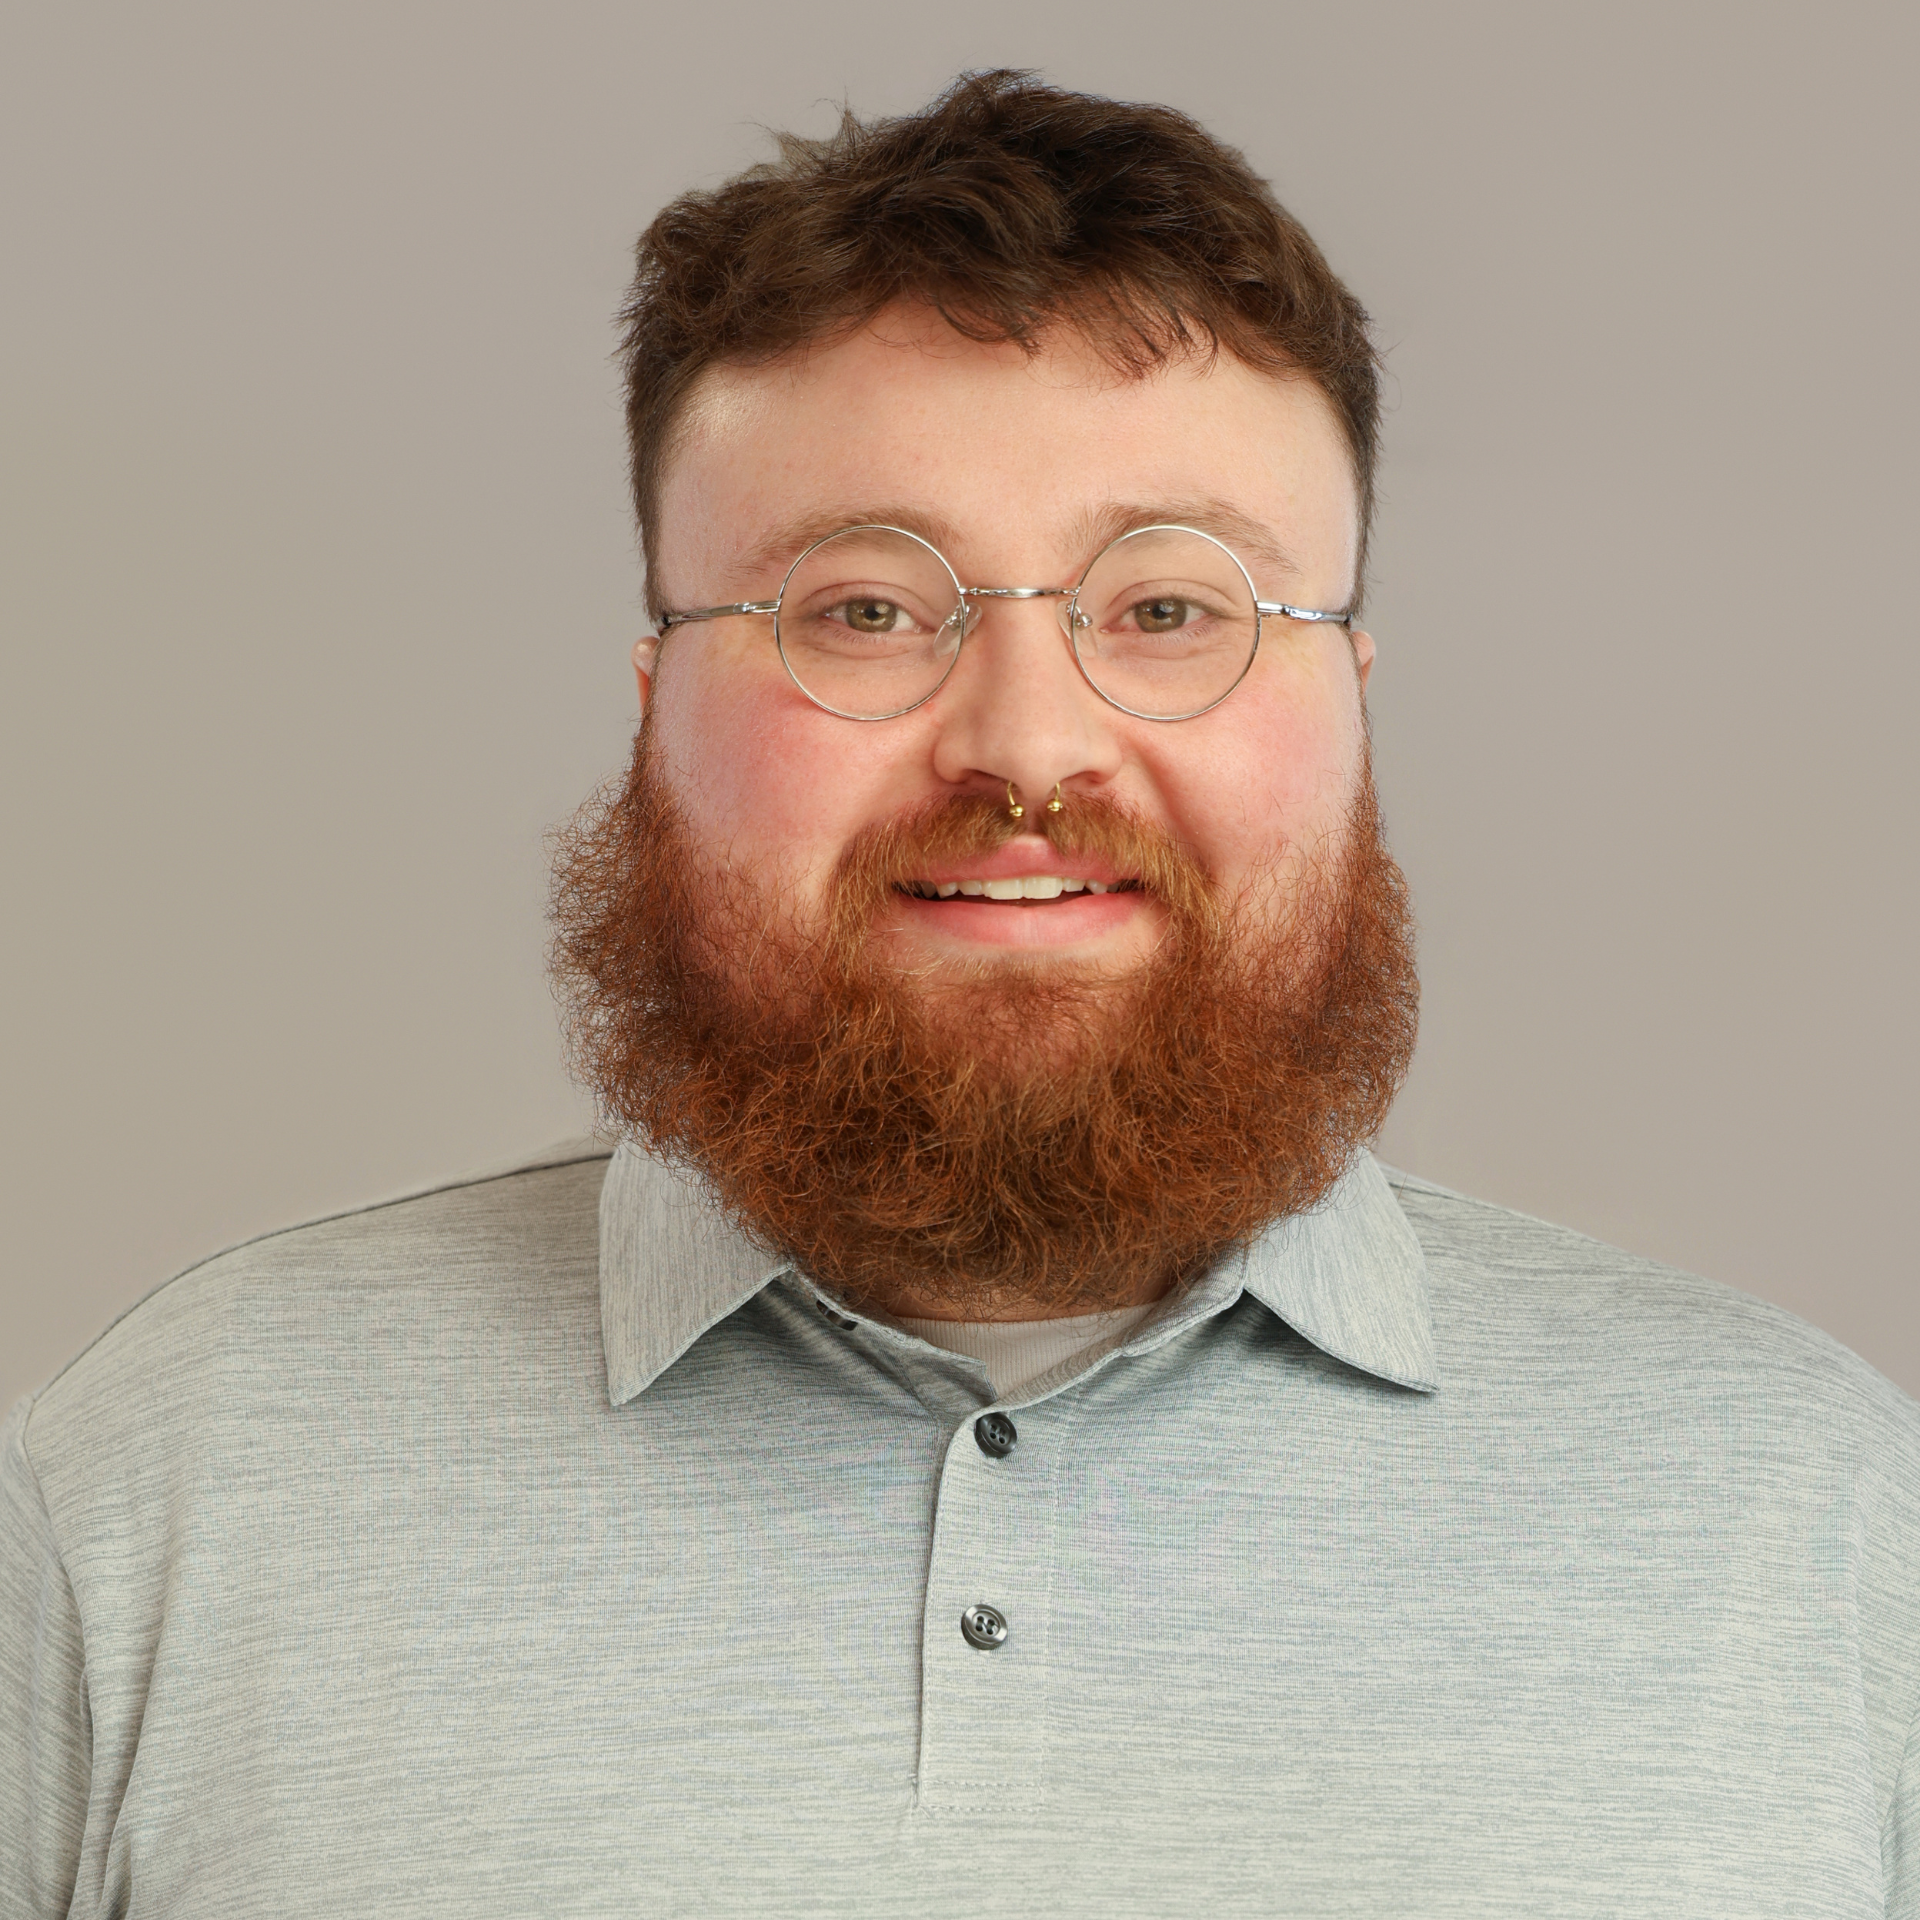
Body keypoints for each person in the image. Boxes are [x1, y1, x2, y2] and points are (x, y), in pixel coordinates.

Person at [3, 70, 1916, 1918]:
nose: (1028, 745)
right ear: (659, 710)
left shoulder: (1816, 1523)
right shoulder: (151, 1497)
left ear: (1350, 700)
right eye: (865, 610)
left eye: (1168, 609)